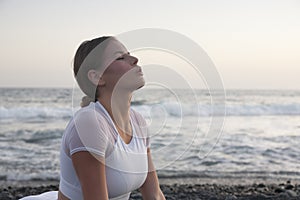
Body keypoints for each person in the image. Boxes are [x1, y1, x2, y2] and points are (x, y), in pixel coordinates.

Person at [20, 36, 165, 200]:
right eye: (120, 57)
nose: (134, 59)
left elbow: (154, 195)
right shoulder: (90, 123)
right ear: (97, 77)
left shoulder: (138, 122)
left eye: (129, 54)